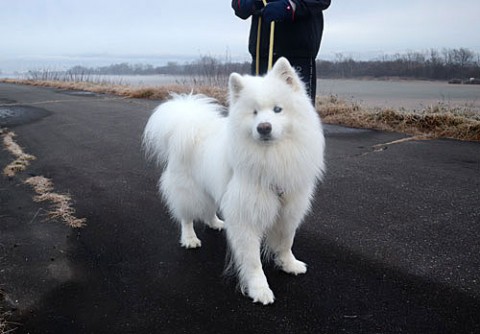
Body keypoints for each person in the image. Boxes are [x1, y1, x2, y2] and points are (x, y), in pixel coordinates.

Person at [232, 0, 331, 105]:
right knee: (259, 111)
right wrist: (246, 4)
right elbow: (238, 6)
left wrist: (291, 6)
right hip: (262, 53)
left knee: (298, 113)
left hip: (297, 54)